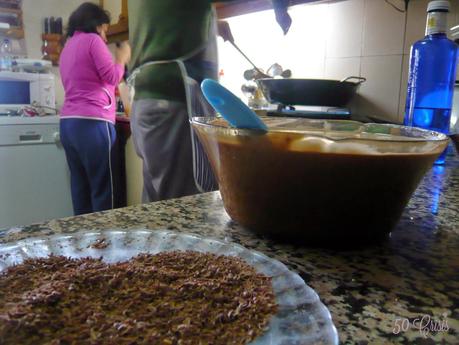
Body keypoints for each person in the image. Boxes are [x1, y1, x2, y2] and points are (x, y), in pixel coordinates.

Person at [128, 0, 292, 203]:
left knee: (159, 204)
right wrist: (280, 7)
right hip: (175, 101)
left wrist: (210, 20)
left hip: (149, 100)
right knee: (180, 205)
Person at [59, 2, 131, 215]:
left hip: (68, 124)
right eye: (105, 31)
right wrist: (122, 58)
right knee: (102, 189)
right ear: (96, 25)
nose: (105, 38)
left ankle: (84, 241)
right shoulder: (93, 40)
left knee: (80, 187)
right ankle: (104, 242)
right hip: (93, 124)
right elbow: (112, 77)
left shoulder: (68, 46)